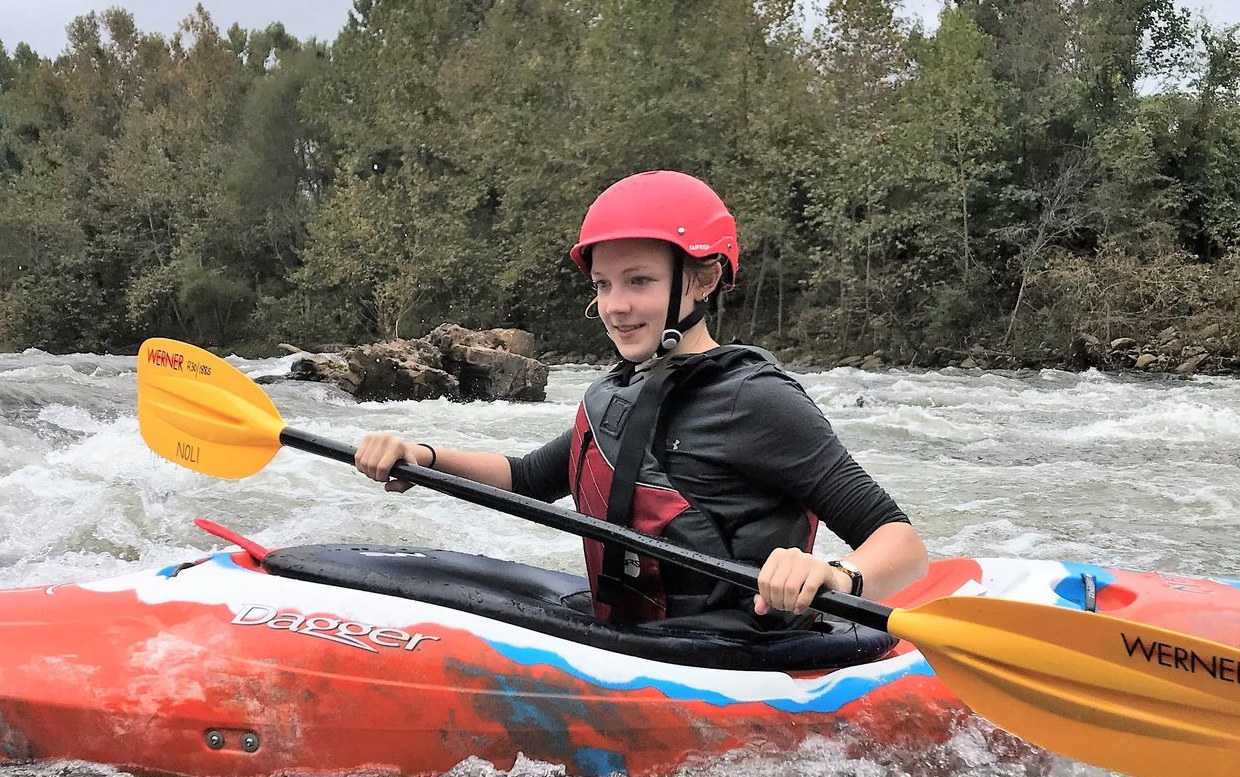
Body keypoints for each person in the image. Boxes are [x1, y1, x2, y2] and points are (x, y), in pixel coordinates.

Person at [353, 171, 929, 626]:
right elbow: (528, 478)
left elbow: (900, 543)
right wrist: (423, 457)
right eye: (604, 285)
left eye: (639, 281)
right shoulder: (616, 394)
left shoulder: (756, 400)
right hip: (634, 635)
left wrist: (834, 575)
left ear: (702, 281)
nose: (615, 305)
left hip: (735, 649)